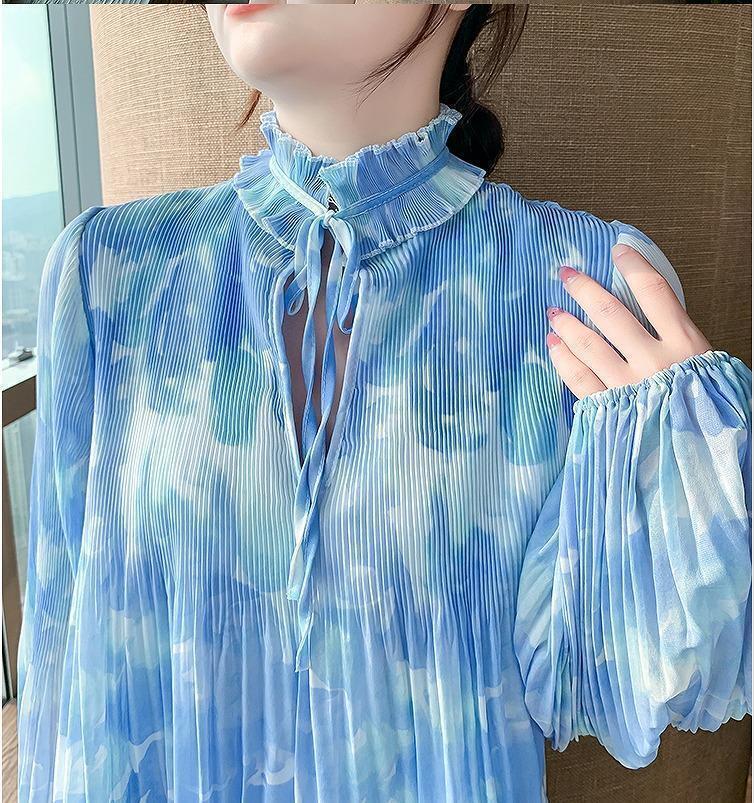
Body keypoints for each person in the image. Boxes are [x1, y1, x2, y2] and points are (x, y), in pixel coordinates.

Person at [16, 4, 751, 801]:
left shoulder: (587, 292)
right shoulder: (105, 275)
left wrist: (700, 455)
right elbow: (57, 675)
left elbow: (611, 676)